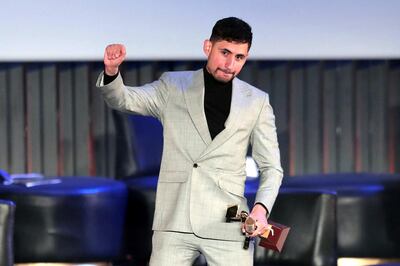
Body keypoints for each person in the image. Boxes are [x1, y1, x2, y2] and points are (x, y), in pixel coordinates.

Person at [97, 17, 283, 266]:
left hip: (228, 224)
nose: (230, 64)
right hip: (176, 219)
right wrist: (111, 73)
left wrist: (261, 209)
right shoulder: (174, 86)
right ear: (208, 47)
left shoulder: (256, 101)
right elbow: (124, 99)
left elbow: (272, 167)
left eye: (239, 57)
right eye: (224, 52)